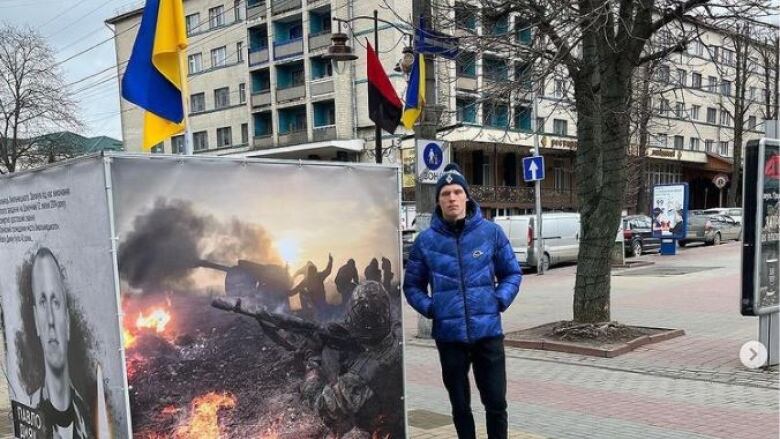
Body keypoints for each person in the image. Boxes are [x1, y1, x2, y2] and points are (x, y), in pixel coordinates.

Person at [403, 163, 522, 439]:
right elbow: (412, 286)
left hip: (488, 334)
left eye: (457, 191)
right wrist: (432, 308)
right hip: (449, 337)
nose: (452, 198)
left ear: (467, 196)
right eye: (445, 193)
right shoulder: (425, 241)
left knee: (496, 404)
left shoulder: (490, 233)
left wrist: (499, 300)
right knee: (459, 406)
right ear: (438, 200)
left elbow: (512, 273)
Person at [29, 248, 92, 438]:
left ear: (68, 321)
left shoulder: (90, 418)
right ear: (36, 320)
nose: (50, 320)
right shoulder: (29, 410)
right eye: (42, 302)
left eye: (55, 302)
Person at [290, 254, 334, 318]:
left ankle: (309, 312)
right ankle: (307, 311)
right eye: (310, 273)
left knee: (303, 292)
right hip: (313, 300)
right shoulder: (308, 279)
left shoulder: (318, 276)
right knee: (302, 292)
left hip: (320, 299)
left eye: (312, 273)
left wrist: (330, 262)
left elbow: (327, 271)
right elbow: (297, 289)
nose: (311, 275)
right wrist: (287, 293)